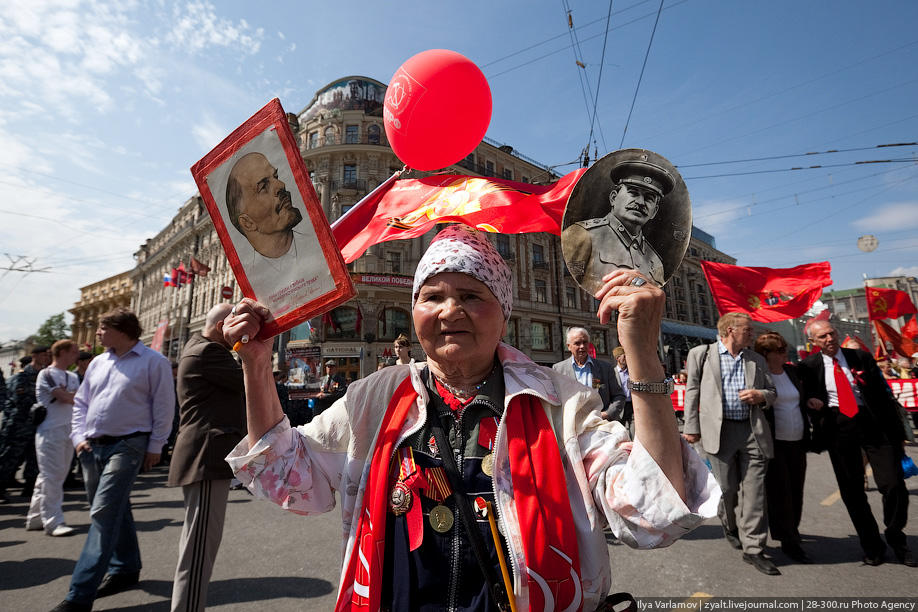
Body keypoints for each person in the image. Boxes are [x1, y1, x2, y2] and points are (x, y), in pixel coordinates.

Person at [225, 224, 719, 611]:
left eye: (471, 296)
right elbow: (291, 478)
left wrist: (644, 360)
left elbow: (652, 515)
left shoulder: (562, 405)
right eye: (432, 296)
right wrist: (256, 362)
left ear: (504, 313)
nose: (449, 311)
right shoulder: (372, 398)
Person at [51, 308, 175, 612]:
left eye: (103, 327)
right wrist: (78, 438)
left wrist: (156, 445)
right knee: (112, 507)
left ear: (123, 330)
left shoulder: (153, 361)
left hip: (129, 445)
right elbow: (81, 403)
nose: (97, 333)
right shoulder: (97, 363)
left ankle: (79, 595)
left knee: (104, 514)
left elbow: (164, 406)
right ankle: (125, 568)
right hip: (91, 446)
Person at [798, 320, 916, 567]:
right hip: (839, 429)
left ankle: (897, 538)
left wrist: (898, 435)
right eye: (822, 337)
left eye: (831, 333)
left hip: (874, 425)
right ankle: (872, 545)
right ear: (814, 342)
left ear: (837, 334)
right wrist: (812, 402)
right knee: (852, 492)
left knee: (893, 484)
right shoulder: (808, 366)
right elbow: (805, 396)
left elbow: (883, 397)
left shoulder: (860, 357)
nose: (829, 339)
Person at [682, 312, 779, 575]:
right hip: (719, 433)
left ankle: (754, 549)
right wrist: (691, 427)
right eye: (747, 329)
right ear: (729, 330)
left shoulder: (756, 360)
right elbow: (692, 391)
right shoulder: (702, 354)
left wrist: (761, 395)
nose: (752, 334)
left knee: (755, 492)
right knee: (727, 489)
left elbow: (772, 393)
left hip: (752, 432)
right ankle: (729, 522)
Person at [168, 304, 247, 612]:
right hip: (205, 455)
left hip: (205, 454)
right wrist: (246, 345)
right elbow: (250, 377)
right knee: (199, 548)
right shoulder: (210, 352)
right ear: (221, 328)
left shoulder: (199, 348)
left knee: (198, 543)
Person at [224, 151, 332, 315]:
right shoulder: (256, 282)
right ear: (247, 222)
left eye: (276, 176)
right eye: (264, 186)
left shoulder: (315, 251)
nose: (281, 185)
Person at [562, 158, 675, 293]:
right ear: (614, 198)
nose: (640, 202)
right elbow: (571, 283)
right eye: (633, 193)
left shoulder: (655, 261)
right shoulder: (583, 234)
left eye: (649, 198)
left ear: (654, 212)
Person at [753, 332, 812, 564]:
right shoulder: (760, 375)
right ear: (766, 354)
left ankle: (791, 531)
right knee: (780, 493)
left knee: (796, 490)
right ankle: (789, 540)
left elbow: (799, 398)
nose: (785, 352)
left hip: (797, 440)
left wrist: (810, 401)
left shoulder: (791, 371)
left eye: (784, 348)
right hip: (774, 443)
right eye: (779, 349)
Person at [26, 340, 80, 536]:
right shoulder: (47, 373)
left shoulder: (72, 376)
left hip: (69, 430)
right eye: (74, 351)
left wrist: (74, 395)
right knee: (53, 477)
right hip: (50, 430)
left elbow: (77, 398)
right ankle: (53, 522)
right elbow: (65, 397)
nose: (77, 355)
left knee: (51, 476)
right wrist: (74, 395)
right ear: (63, 353)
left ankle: (34, 518)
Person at [0, 346, 51, 504]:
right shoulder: (21, 377)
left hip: (38, 423)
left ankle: (30, 487)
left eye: (48, 355)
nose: (46, 358)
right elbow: (19, 401)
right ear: (34, 355)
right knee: (10, 457)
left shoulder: (45, 376)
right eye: (44, 355)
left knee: (35, 456)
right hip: (19, 425)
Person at [552, 327, 625, 421]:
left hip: (600, 423)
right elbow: (555, 400)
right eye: (577, 343)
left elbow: (619, 396)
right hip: (572, 424)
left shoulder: (605, 368)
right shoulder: (558, 369)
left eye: (585, 342)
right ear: (568, 346)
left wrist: (607, 414)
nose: (582, 346)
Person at [613, 346, 634, 431]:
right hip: (620, 406)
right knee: (620, 431)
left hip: (632, 405)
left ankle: (633, 443)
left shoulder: (632, 372)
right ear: (617, 358)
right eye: (624, 356)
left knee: (634, 430)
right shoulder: (612, 373)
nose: (626, 359)